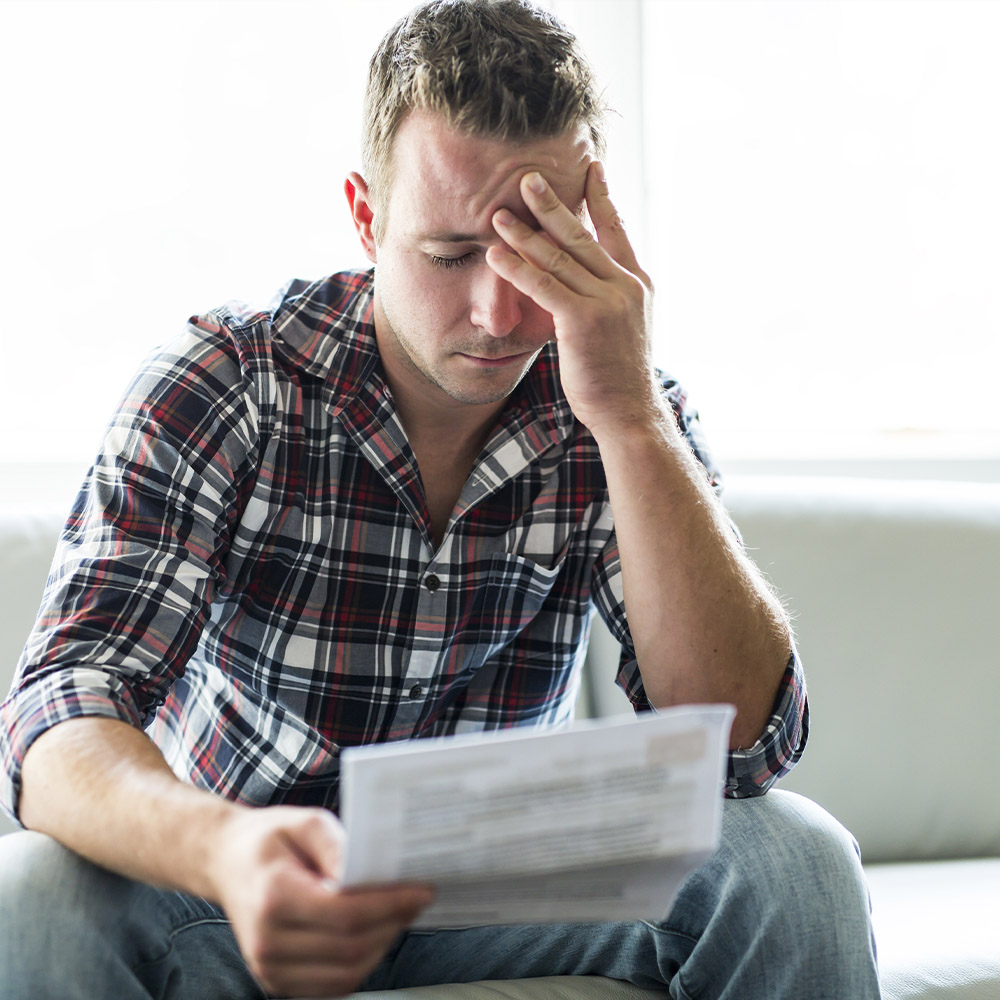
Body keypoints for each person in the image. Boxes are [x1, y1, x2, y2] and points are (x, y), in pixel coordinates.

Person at [0, 1, 879, 997]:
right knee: (36, 892)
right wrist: (227, 853)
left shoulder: (617, 397)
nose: (501, 313)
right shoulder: (229, 380)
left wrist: (629, 418)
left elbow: (741, 749)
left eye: (537, 250)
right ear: (367, 217)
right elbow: (60, 715)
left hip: (495, 883)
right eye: (453, 254)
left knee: (793, 859)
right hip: (229, 878)